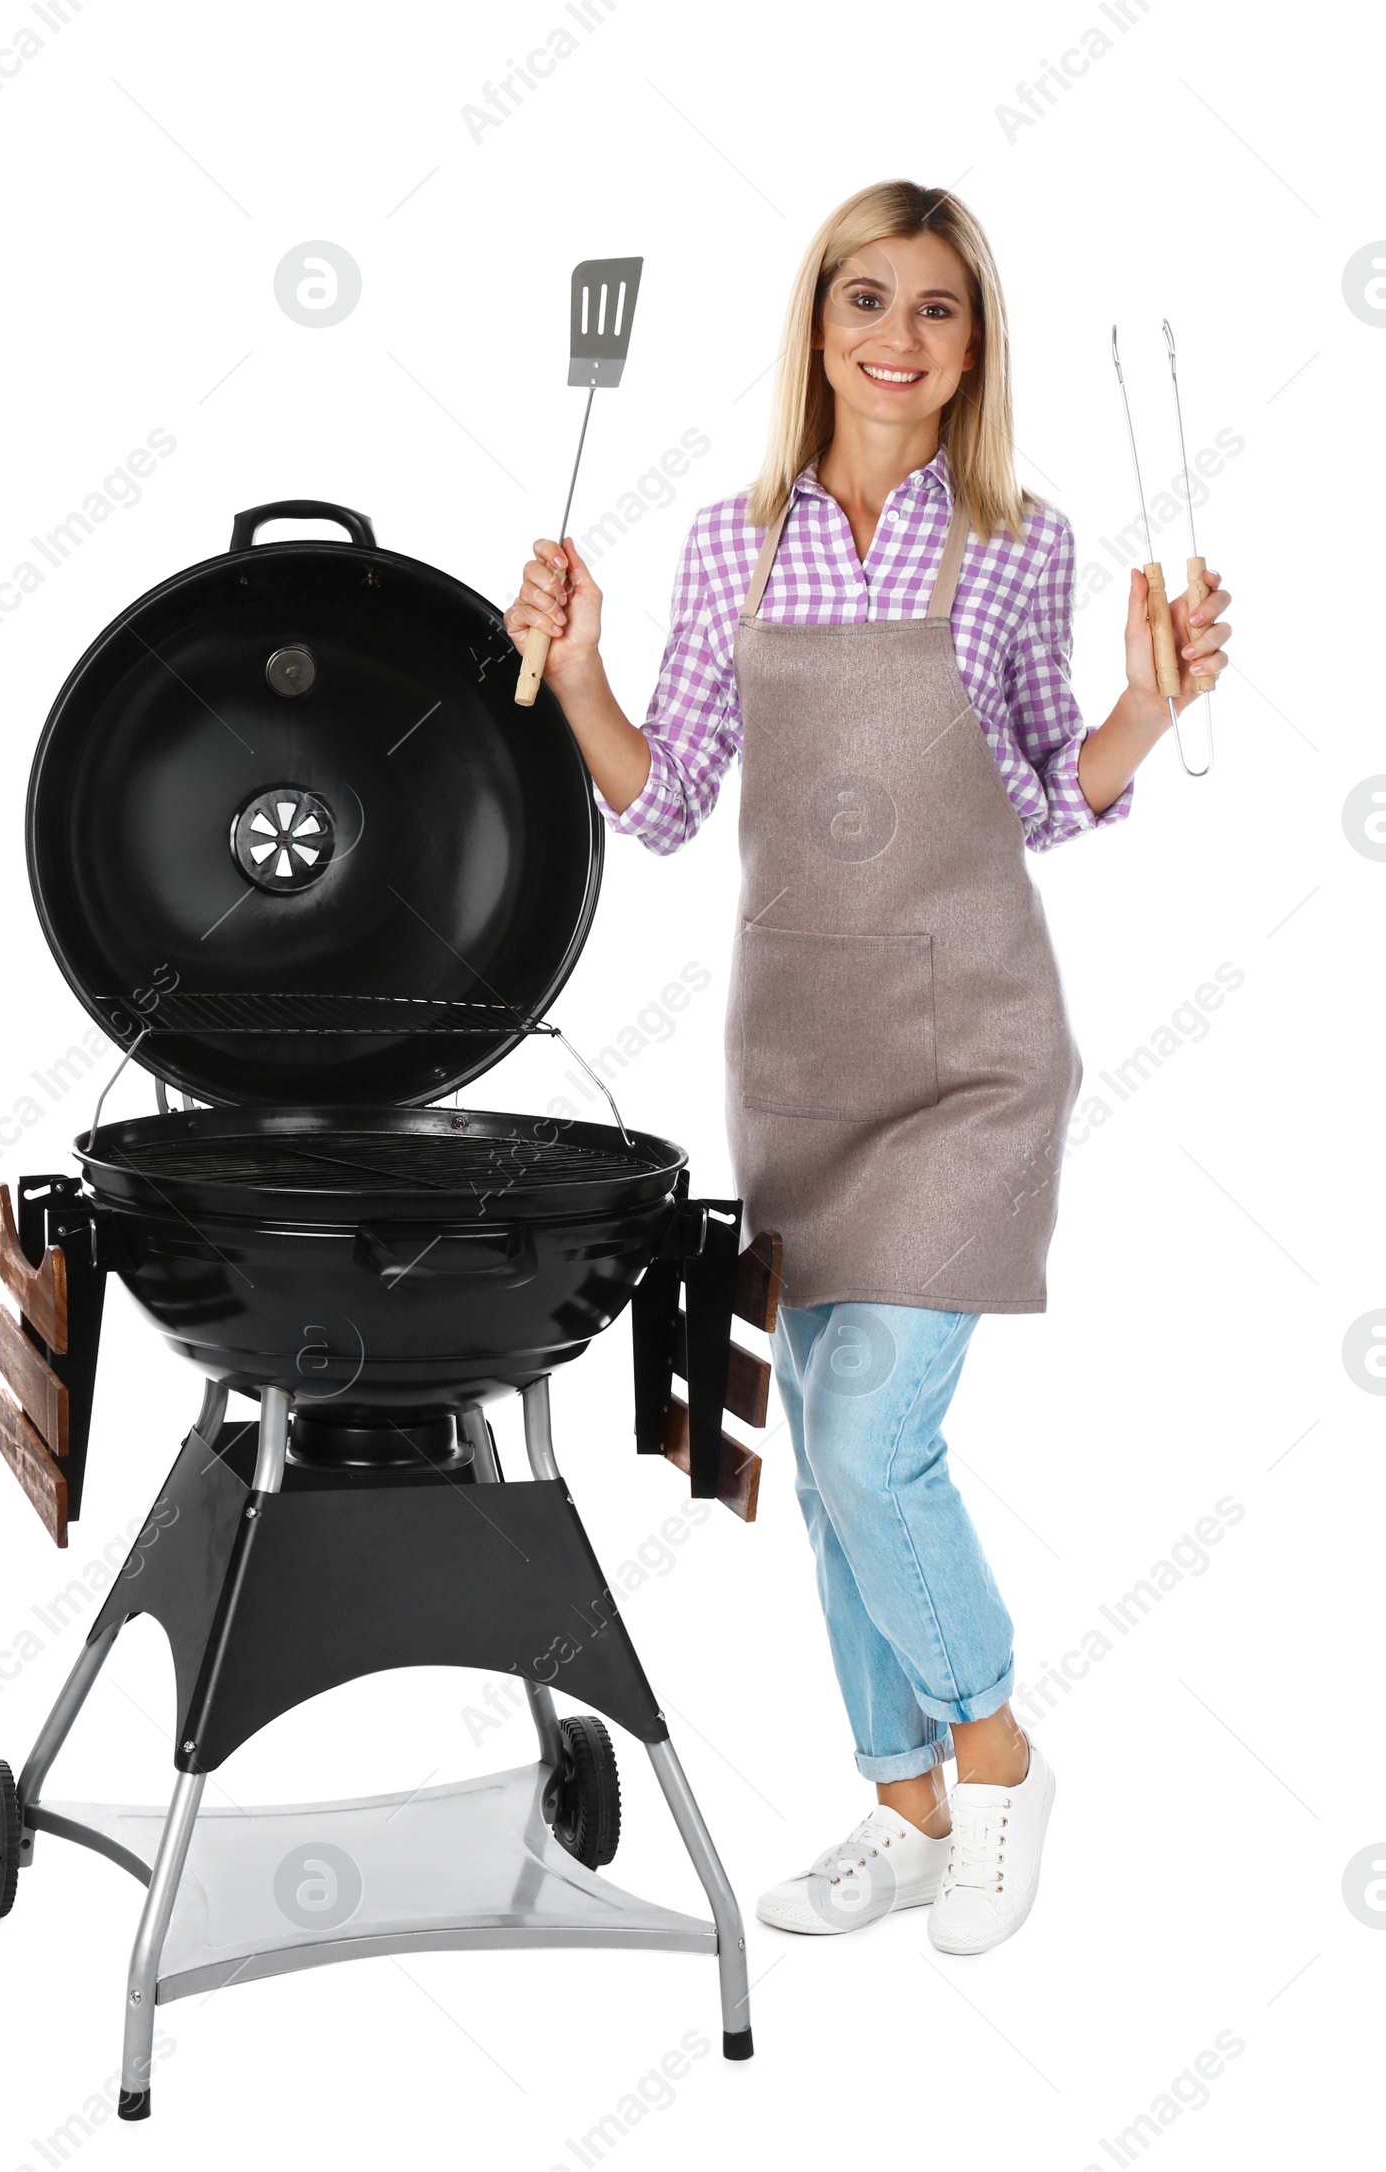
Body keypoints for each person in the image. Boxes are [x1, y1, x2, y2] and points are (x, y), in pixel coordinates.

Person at [502, 180, 1231, 1955]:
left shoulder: (1022, 543)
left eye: (939, 312)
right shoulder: (730, 541)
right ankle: (901, 1808)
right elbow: (659, 801)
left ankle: (995, 1753)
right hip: (803, 1055)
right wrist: (582, 667)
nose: (900, 342)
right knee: (824, 1462)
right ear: (815, 326)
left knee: (860, 1431)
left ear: (976, 345)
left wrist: (1160, 705)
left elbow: (1055, 789)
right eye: (867, 302)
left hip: (975, 1048)